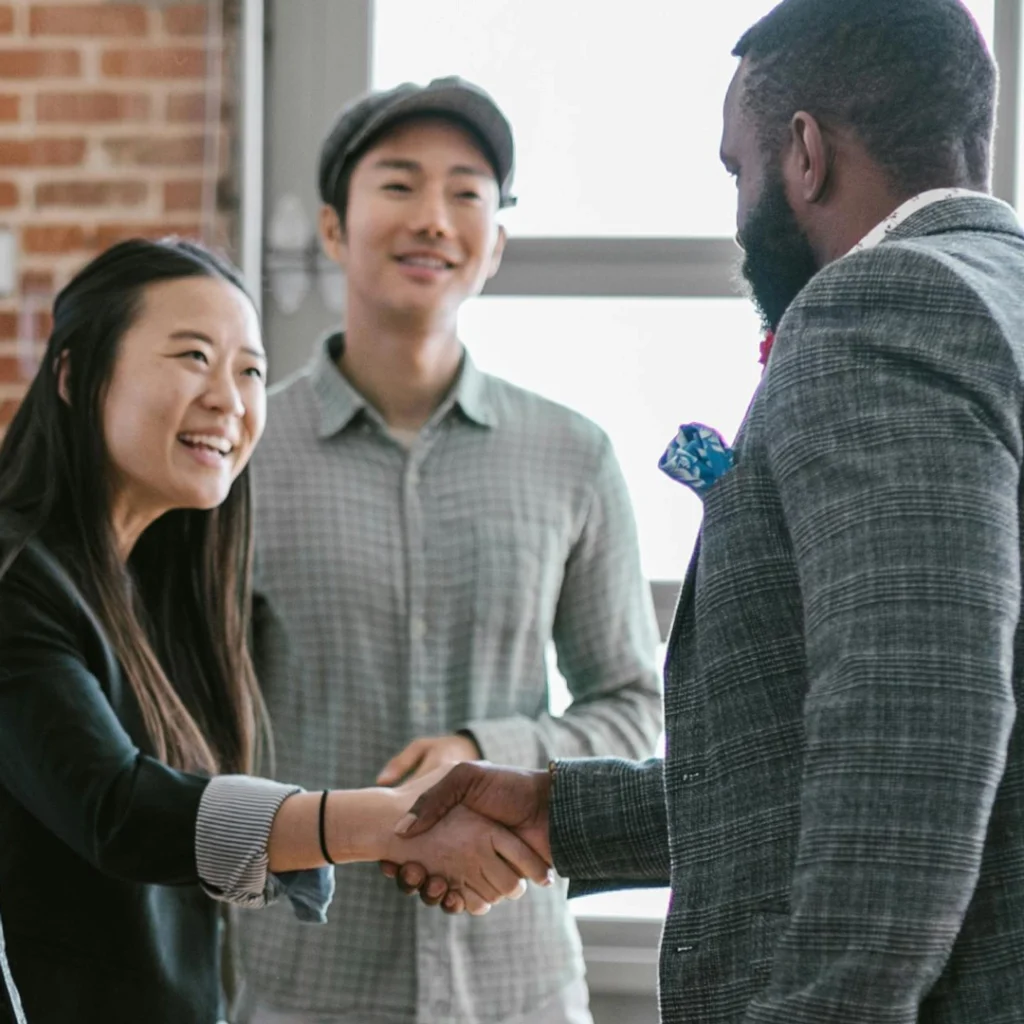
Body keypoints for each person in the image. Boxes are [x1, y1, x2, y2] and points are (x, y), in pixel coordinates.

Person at [396, 2, 1024, 1022]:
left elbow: (911, 733)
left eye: (738, 170)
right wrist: (567, 814)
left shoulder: (879, 312)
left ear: (805, 152)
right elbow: (844, 748)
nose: (737, 213)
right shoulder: (997, 298)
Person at [0, 238, 550, 1024]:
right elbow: (120, 812)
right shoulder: (16, 577)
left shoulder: (153, 586)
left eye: (251, 370)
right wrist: (394, 824)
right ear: (72, 376)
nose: (231, 398)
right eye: (194, 355)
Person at [238, 76, 663, 1024]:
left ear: (495, 244)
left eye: (466, 192)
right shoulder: (244, 457)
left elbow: (634, 709)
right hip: (303, 984)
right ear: (334, 229)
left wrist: (486, 749)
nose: (433, 217)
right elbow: (190, 719)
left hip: (519, 987)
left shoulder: (574, 455)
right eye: (398, 185)